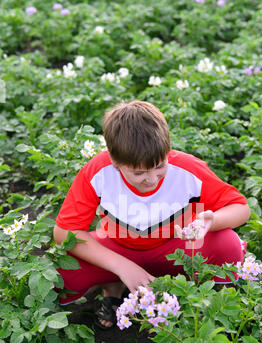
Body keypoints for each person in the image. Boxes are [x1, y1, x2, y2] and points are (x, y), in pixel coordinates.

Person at [54, 100, 250, 329]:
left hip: (174, 247)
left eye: (159, 166)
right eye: (139, 173)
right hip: (117, 246)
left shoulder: (187, 169)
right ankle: (114, 283)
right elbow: (64, 232)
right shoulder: (99, 171)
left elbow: (241, 208)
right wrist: (121, 266)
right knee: (61, 273)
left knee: (228, 245)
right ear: (115, 162)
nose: (152, 179)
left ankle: (190, 290)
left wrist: (212, 221)